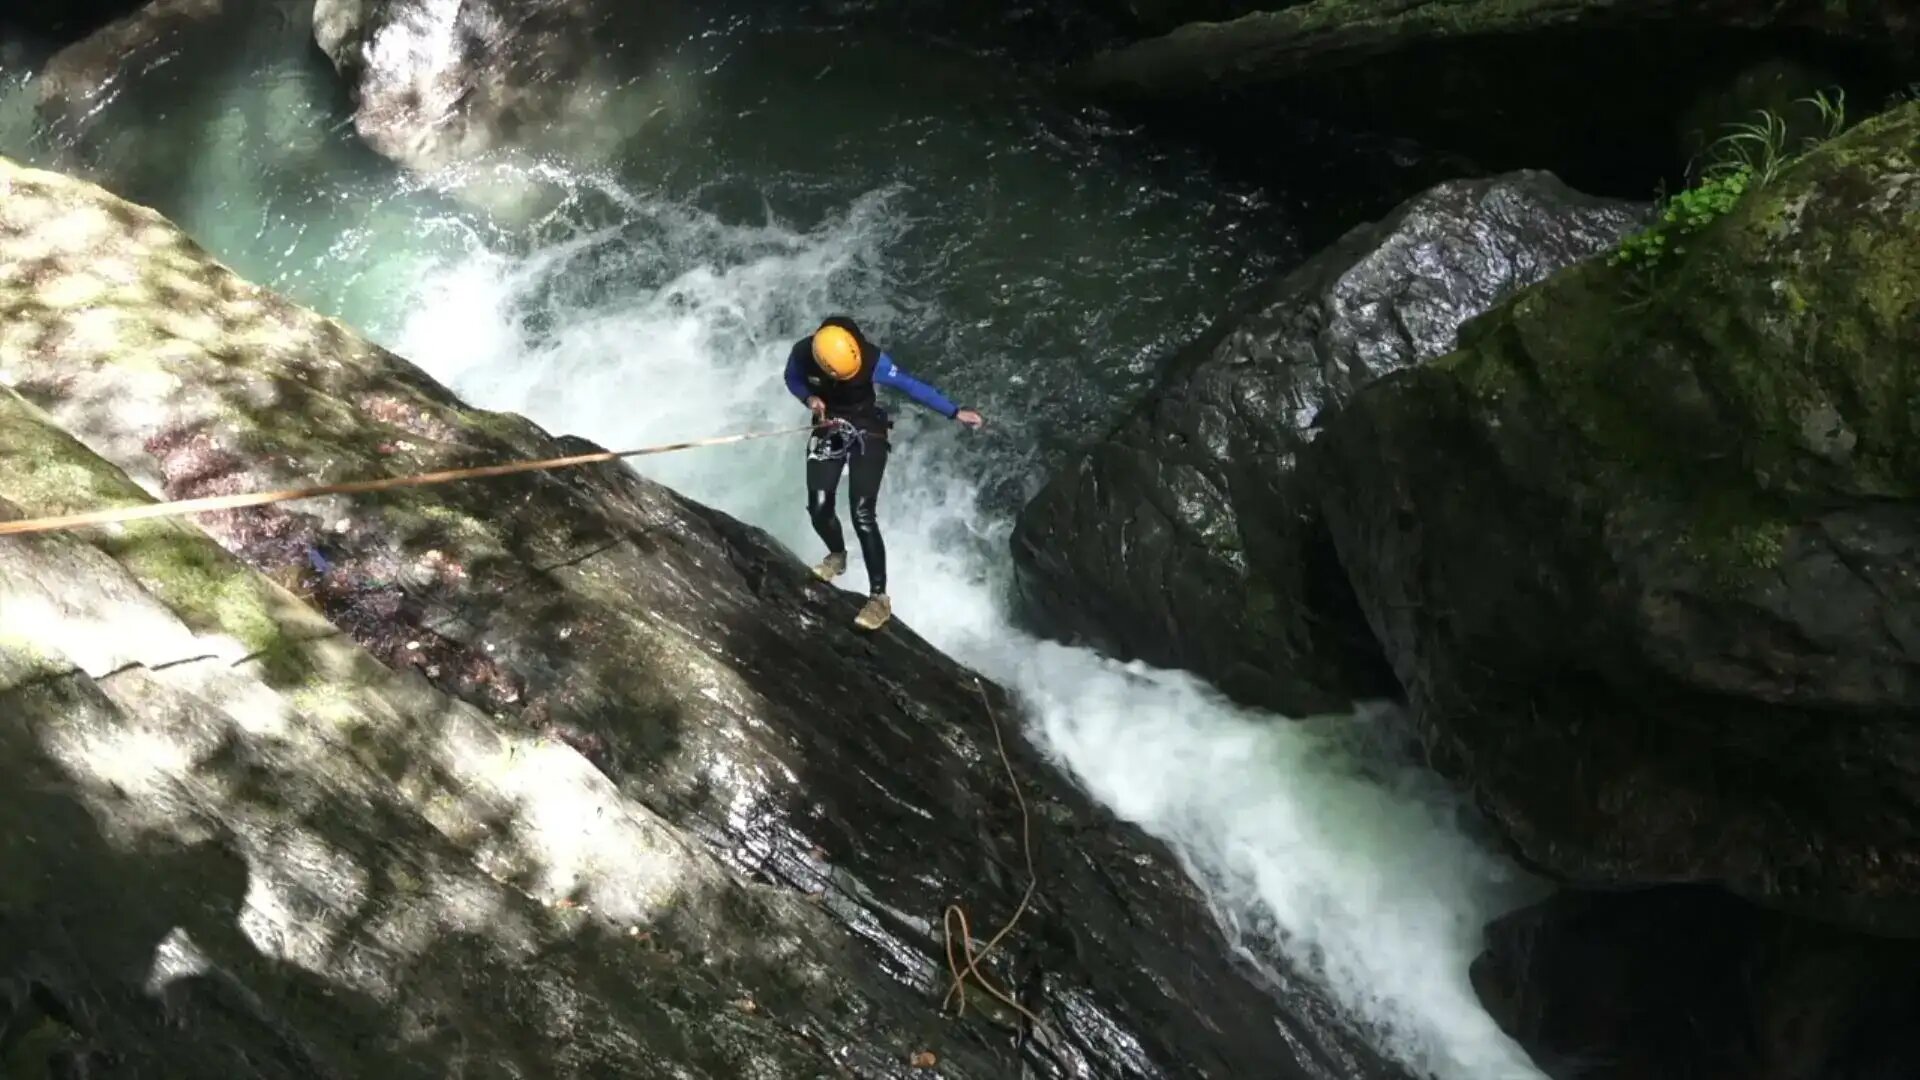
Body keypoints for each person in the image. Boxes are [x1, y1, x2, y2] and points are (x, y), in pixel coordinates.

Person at [784, 315, 983, 630]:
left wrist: (954, 411)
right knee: (819, 507)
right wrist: (809, 398)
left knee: (862, 513)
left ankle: (879, 598)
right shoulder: (804, 353)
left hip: (867, 428)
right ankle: (837, 555)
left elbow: (910, 385)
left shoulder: (871, 359)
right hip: (829, 425)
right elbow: (792, 377)